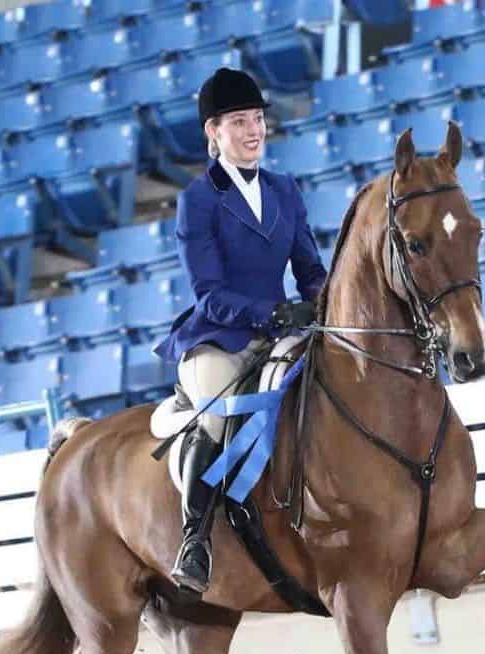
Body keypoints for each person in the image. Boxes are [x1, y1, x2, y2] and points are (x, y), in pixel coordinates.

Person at [153, 67, 328, 596]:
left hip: (281, 330)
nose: (253, 130)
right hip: (220, 336)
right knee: (216, 414)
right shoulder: (198, 200)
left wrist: (331, 304)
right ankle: (195, 538)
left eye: (257, 119)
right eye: (238, 121)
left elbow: (311, 270)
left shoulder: (284, 189)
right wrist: (273, 314)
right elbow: (208, 294)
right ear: (214, 132)